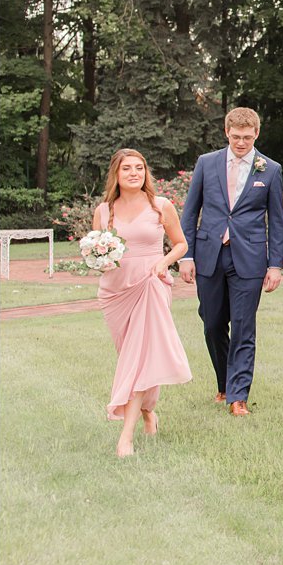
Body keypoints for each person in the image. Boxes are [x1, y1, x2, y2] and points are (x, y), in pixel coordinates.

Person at [178, 107, 283, 416]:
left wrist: (275, 265)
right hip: (209, 253)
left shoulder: (270, 170)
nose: (241, 143)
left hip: (250, 259)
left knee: (243, 326)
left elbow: (276, 222)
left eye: (247, 138)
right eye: (236, 137)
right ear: (227, 133)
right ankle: (224, 383)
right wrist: (185, 255)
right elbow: (190, 212)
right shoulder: (206, 163)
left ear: (257, 135)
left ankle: (238, 395)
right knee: (212, 324)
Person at [93, 149, 192, 457]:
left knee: (136, 358)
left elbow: (181, 243)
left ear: (146, 173)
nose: (134, 173)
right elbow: (97, 250)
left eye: (139, 168)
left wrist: (164, 262)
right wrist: (101, 262)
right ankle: (149, 412)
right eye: (127, 169)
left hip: (151, 284)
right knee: (132, 357)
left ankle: (126, 437)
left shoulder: (160, 205)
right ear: (116, 175)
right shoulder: (104, 211)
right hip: (115, 290)